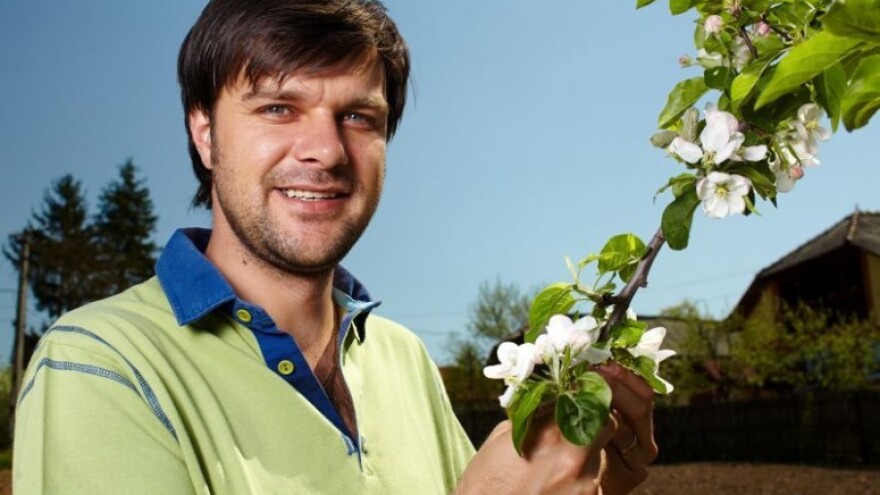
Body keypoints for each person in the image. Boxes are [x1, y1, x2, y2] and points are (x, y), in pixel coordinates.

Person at [13, 0, 658, 493]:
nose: (325, 150)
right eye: (278, 109)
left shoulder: (405, 360)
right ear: (205, 135)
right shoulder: (98, 366)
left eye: (358, 117)